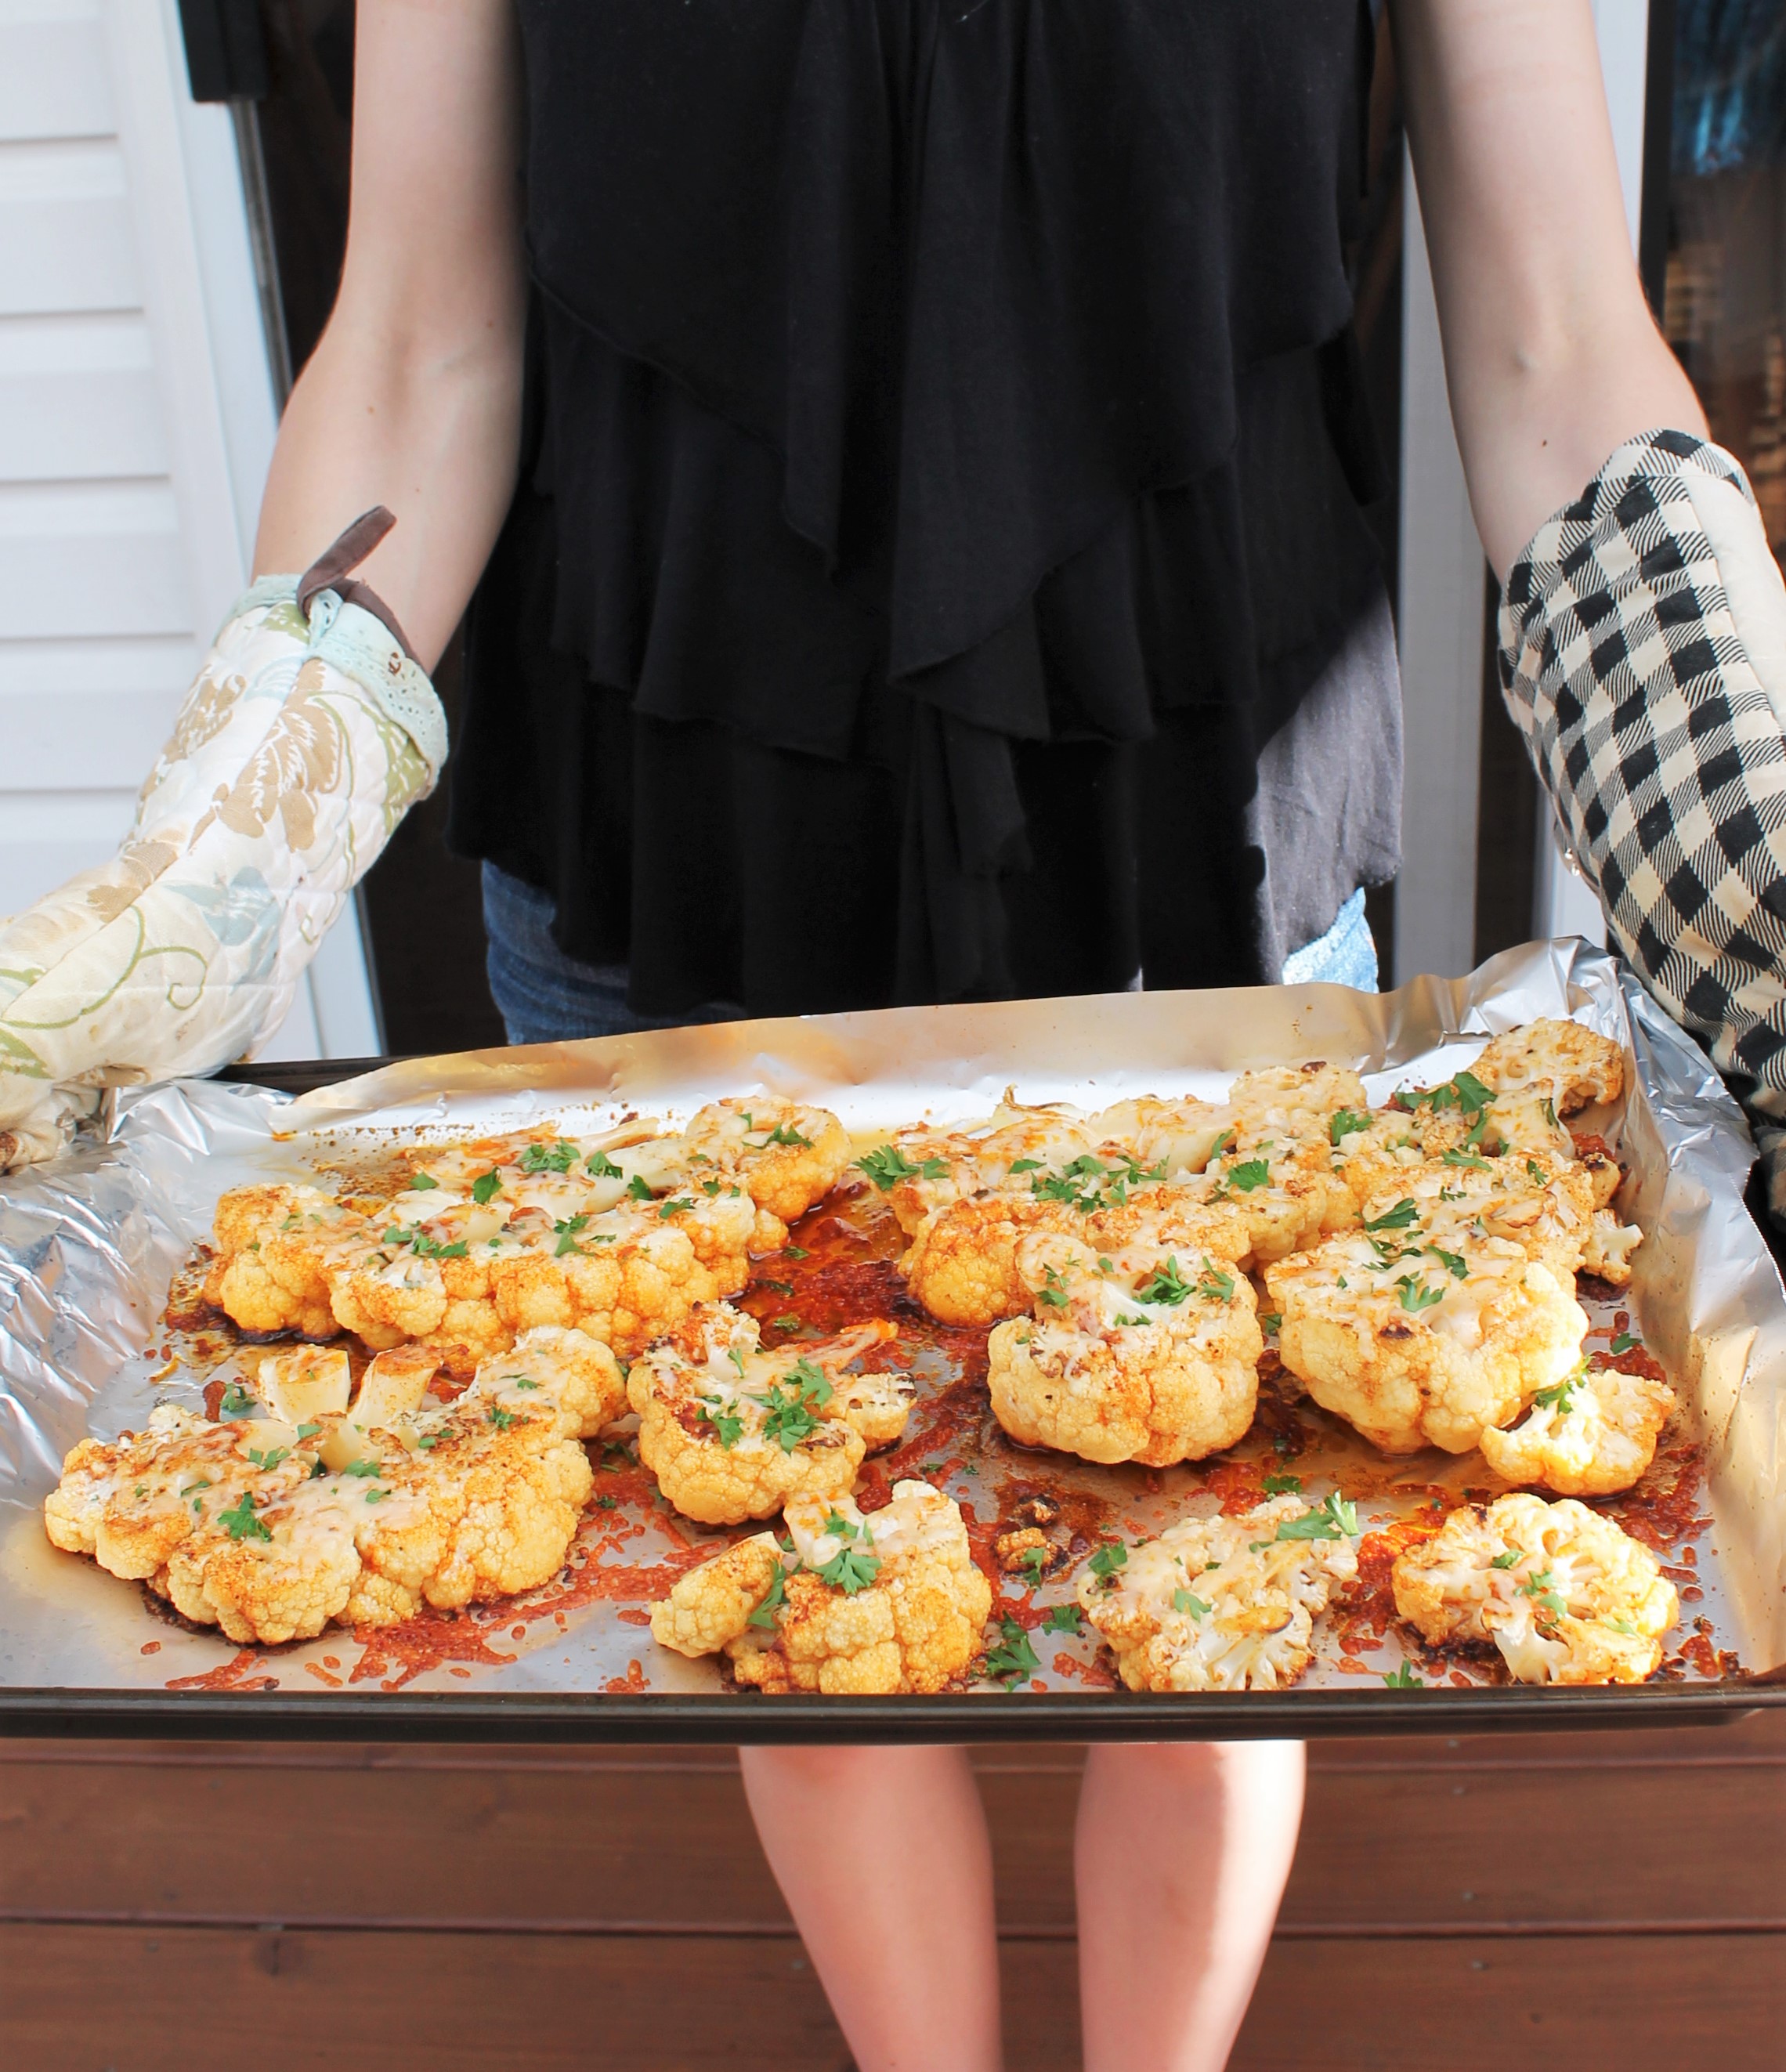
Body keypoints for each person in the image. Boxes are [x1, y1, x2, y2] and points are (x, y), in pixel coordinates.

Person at [3, 4, 1784, 2067]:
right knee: (804, 1602)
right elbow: (415, 345)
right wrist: (223, 845)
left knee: (1216, 1610)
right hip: (692, 833)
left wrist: (1737, 861)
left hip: (1188, 823)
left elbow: (1563, 344)